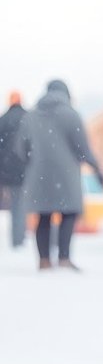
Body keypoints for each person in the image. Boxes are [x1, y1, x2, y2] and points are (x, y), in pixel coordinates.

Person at [20, 80, 103, 270]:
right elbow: (82, 148)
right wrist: (97, 169)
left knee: (43, 216)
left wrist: (34, 163)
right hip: (66, 174)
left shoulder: (30, 116)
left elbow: (21, 149)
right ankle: (64, 258)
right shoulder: (71, 115)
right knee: (69, 213)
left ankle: (44, 260)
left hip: (39, 174)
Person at [0, 91, 29, 248]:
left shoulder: (3, 119)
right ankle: (19, 238)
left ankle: (16, 238)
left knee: (13, 204)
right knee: (20, 203)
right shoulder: (27, 118)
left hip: (6, 170)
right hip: (24, 168)